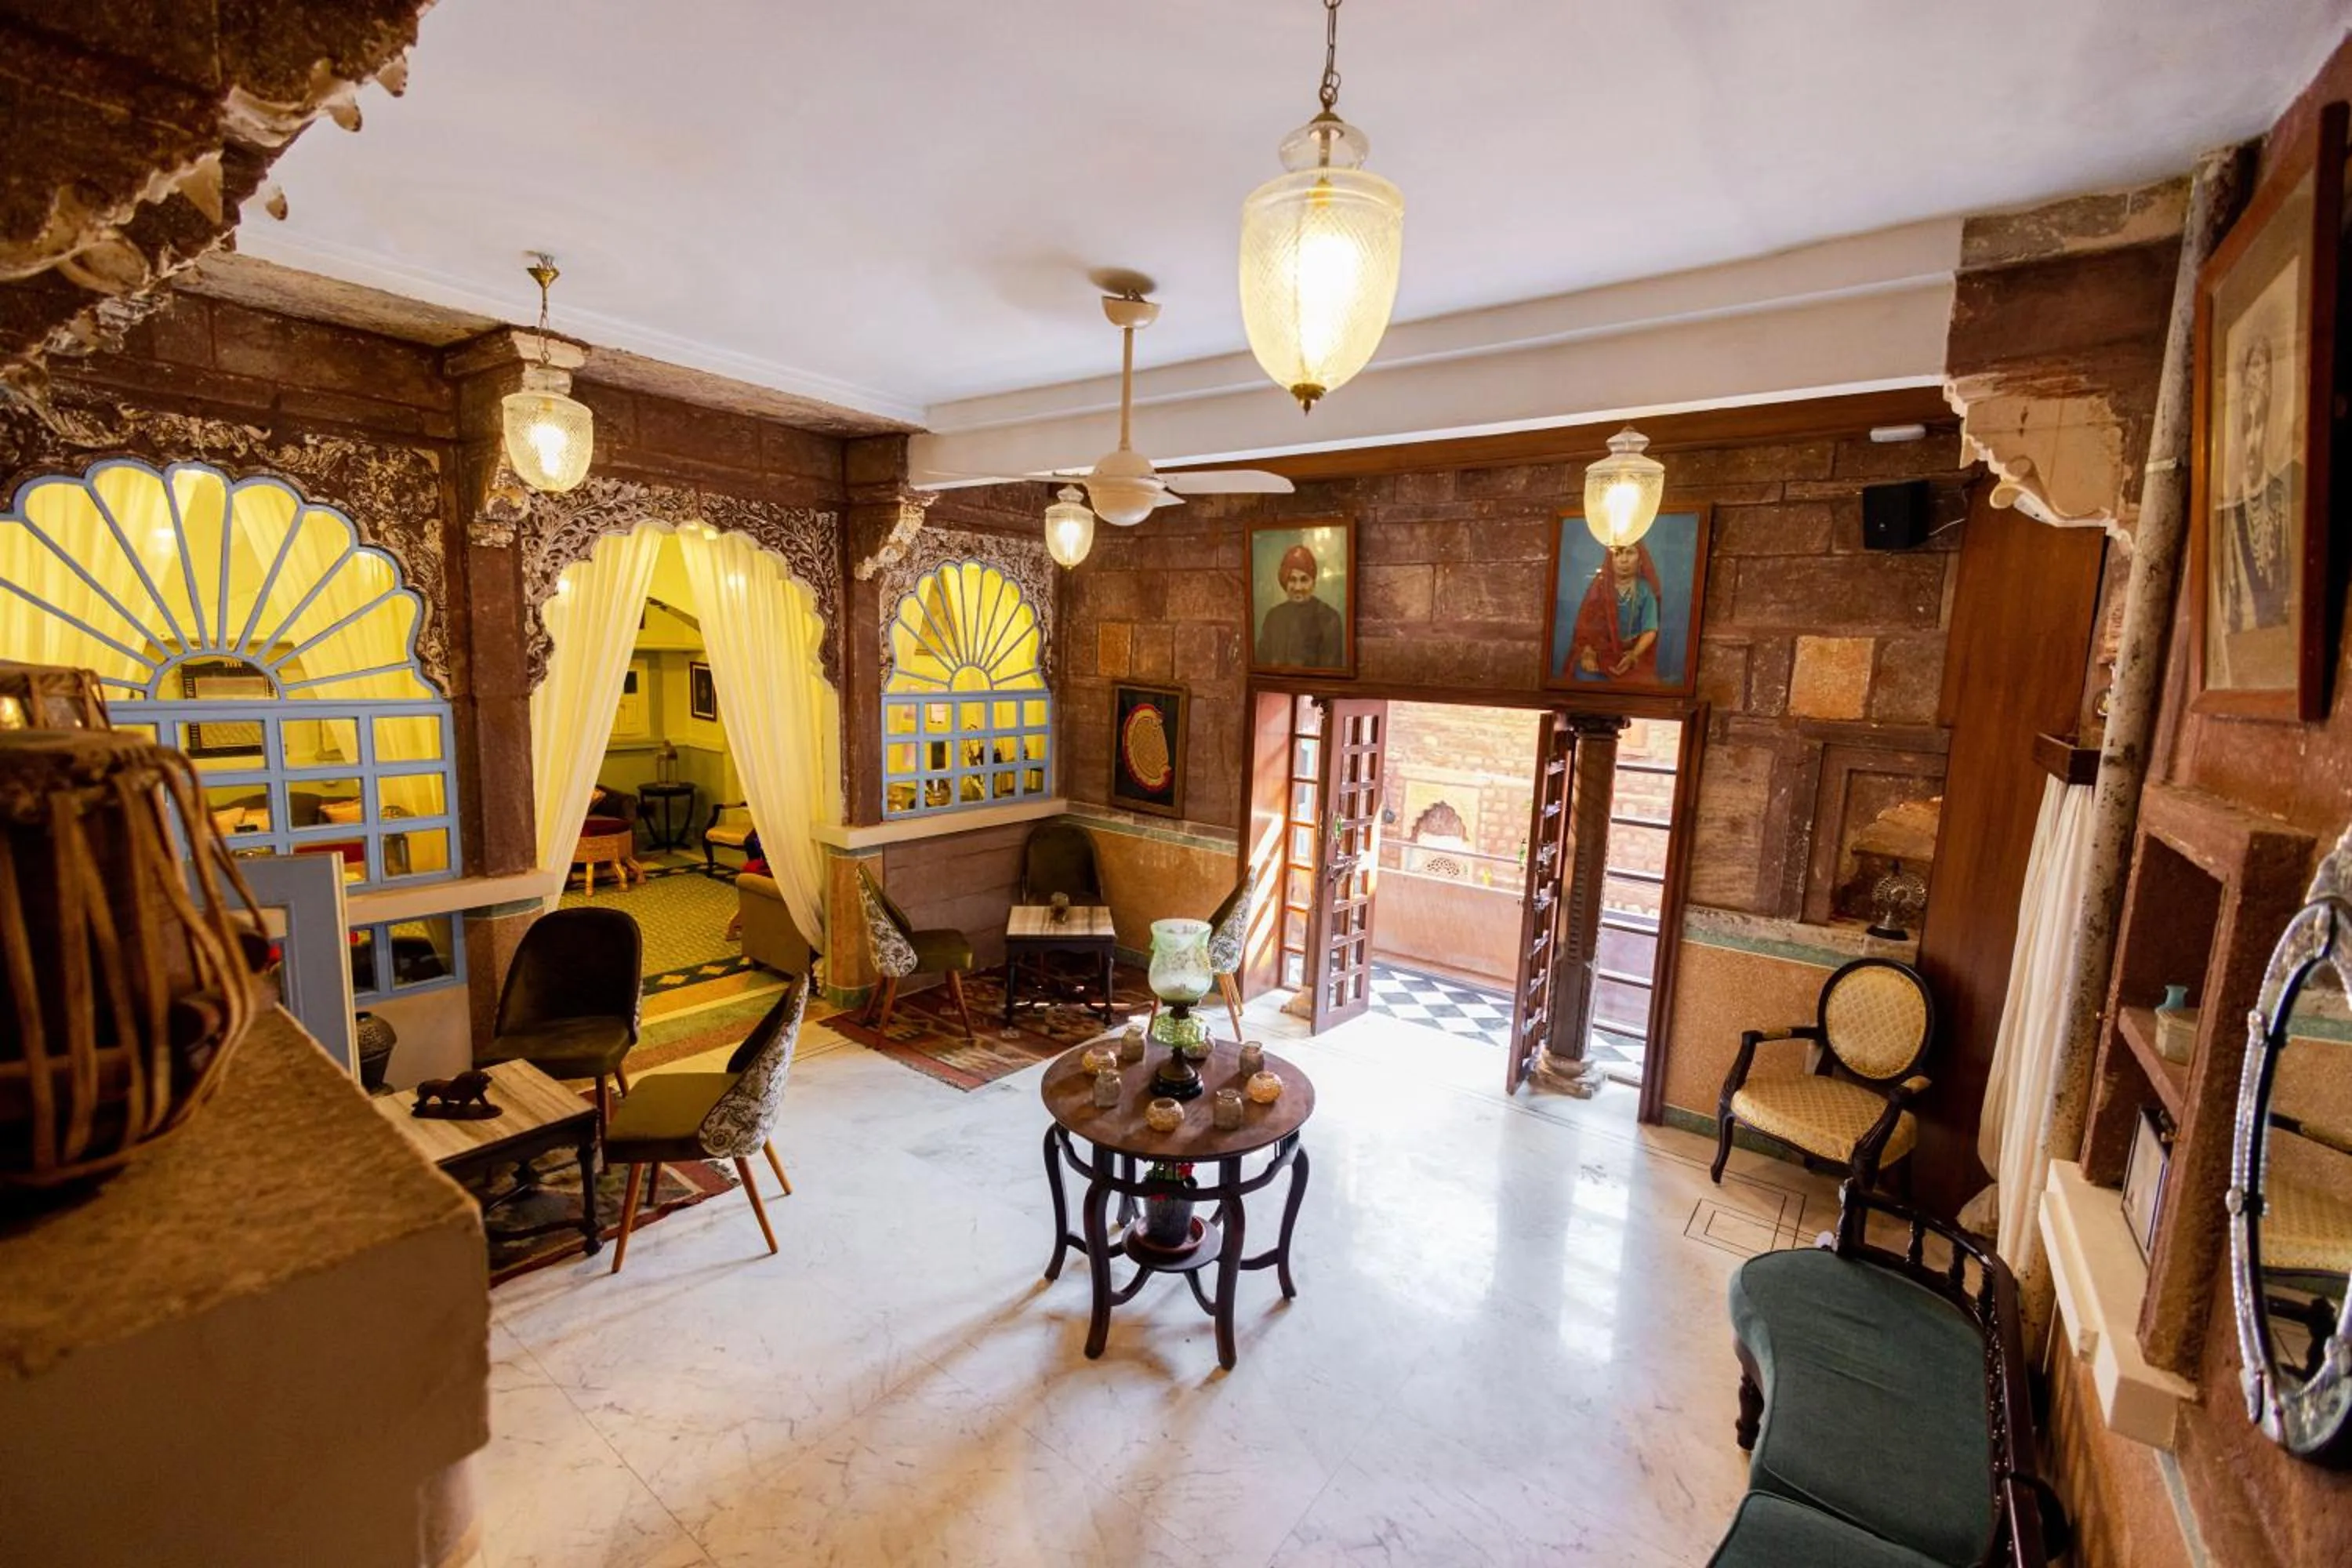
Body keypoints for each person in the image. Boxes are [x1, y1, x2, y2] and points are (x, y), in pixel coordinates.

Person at [2216, 332, 2296, 636]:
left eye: (2259, 422)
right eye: (2246, 425)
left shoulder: (2279, 496)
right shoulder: (2229, 512)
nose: (2252, 442)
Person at [1569, 541, 1662, 682]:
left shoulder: (1644, 590)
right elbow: (1585, 629)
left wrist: (1633, 655)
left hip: (1632, 654)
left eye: (1630, 552)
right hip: (1601, 654)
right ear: (1610, 560)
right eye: (1617, 553)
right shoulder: (1600, 587)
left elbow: (1650, 630)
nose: (1623, 560)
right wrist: (1588, 653)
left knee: (1646, 685)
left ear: (1641, 559)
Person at [1257, 543, 1345, 668]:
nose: (1298, 588)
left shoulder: (1330, 618)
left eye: (1304, 580)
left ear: (1313, 582)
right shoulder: (1273, 617)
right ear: (1285, 582)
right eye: (1292, 580)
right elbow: (1262, 666)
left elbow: (1330, 673)